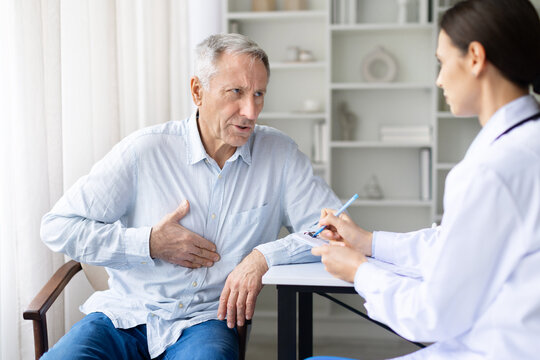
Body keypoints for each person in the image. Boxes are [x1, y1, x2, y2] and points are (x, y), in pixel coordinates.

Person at [40, 33, 341, 359]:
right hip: (123, 315)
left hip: (206, 322)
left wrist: (263, 256)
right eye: (236, 93)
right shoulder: (145, 150)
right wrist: (150, 243)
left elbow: (336, 229)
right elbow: (58, 226)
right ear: (198, 91)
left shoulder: (279, 155)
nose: (251, 111)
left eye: (258, 94)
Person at [310, 0, 540, 359]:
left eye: (442, 61)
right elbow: (454, 246)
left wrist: (360, 272)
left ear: (475, 58)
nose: (439, 79)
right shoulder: (524, 146)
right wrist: (368, 242)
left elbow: (432, 315)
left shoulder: (492, 170)